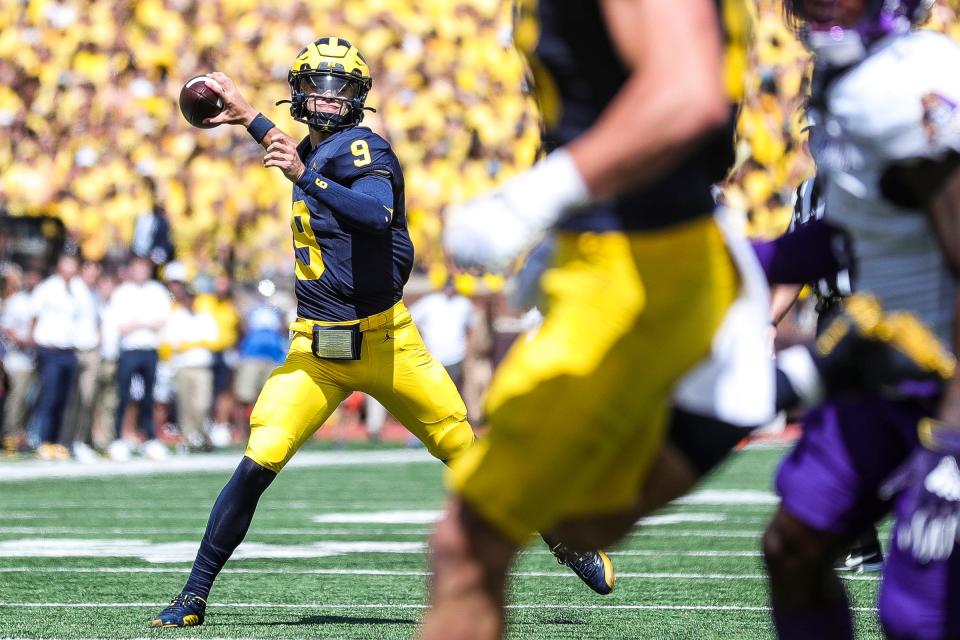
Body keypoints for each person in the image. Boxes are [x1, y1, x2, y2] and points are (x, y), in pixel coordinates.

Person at [151, 37, 610, 629]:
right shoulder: (316, 149)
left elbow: (373, 213)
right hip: (316, 351)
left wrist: (300, 173)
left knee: (467, 453)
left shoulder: (365, 147)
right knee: (257, 459)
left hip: (389, 342)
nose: (326, 97)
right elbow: (303, 157)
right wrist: (246, 115)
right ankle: (193, 595)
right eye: (317, 83)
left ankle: (563, 537)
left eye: (339, 86)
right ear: (297, 91)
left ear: (358, 98)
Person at [426, 2, 757, 637]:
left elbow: (686, 94)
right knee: (580, 524)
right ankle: (790, 382)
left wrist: (536, 196)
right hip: (623, 250)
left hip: (637, 264)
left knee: (467, 544)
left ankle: (792, 380)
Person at [761, 2, 960, 638]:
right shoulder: (848, 74)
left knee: (917, 613)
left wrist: (951, 441)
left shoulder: (913, 80)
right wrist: (736, 261)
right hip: (882, 365)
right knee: (794, 548)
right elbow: (857, 228)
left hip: (946, 379)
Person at [108, 254, 171, 461]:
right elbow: (122, 325)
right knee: (124, 396)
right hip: (129, 349)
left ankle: (150, 438)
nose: (141, 272)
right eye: (137, 267)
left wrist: (139, 322)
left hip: (149, 348)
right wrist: (145, 322)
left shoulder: (157, 290)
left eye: (144, 268)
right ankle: (118, 438)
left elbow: (161, 320)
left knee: (148, 397)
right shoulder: (122, 292)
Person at [29, 253, 86, 460]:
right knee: (49, 397)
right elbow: (34, 316)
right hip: (50, 350)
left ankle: (56, 441)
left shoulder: (77, 290)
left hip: (68, 351)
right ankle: (43, 440)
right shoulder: (47, 288)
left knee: (64, 399)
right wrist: (37, 343)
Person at [409, 278, 474, 392]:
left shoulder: (463, 303)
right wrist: (420, 345)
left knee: (452, 392)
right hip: (433, 357)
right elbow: (410, 319)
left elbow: (471, 328)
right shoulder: (430, 301)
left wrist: (466, 349)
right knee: (432, 391)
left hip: (455, 357)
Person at [0, 265, 40, 454]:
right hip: (16, 359)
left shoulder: (31, 300)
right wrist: (25, 341)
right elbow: (6, 330)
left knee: (26, 400)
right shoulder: (15, 301)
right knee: (16, 400)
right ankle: (10, 435)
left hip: (31, 359)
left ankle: (20, 434)